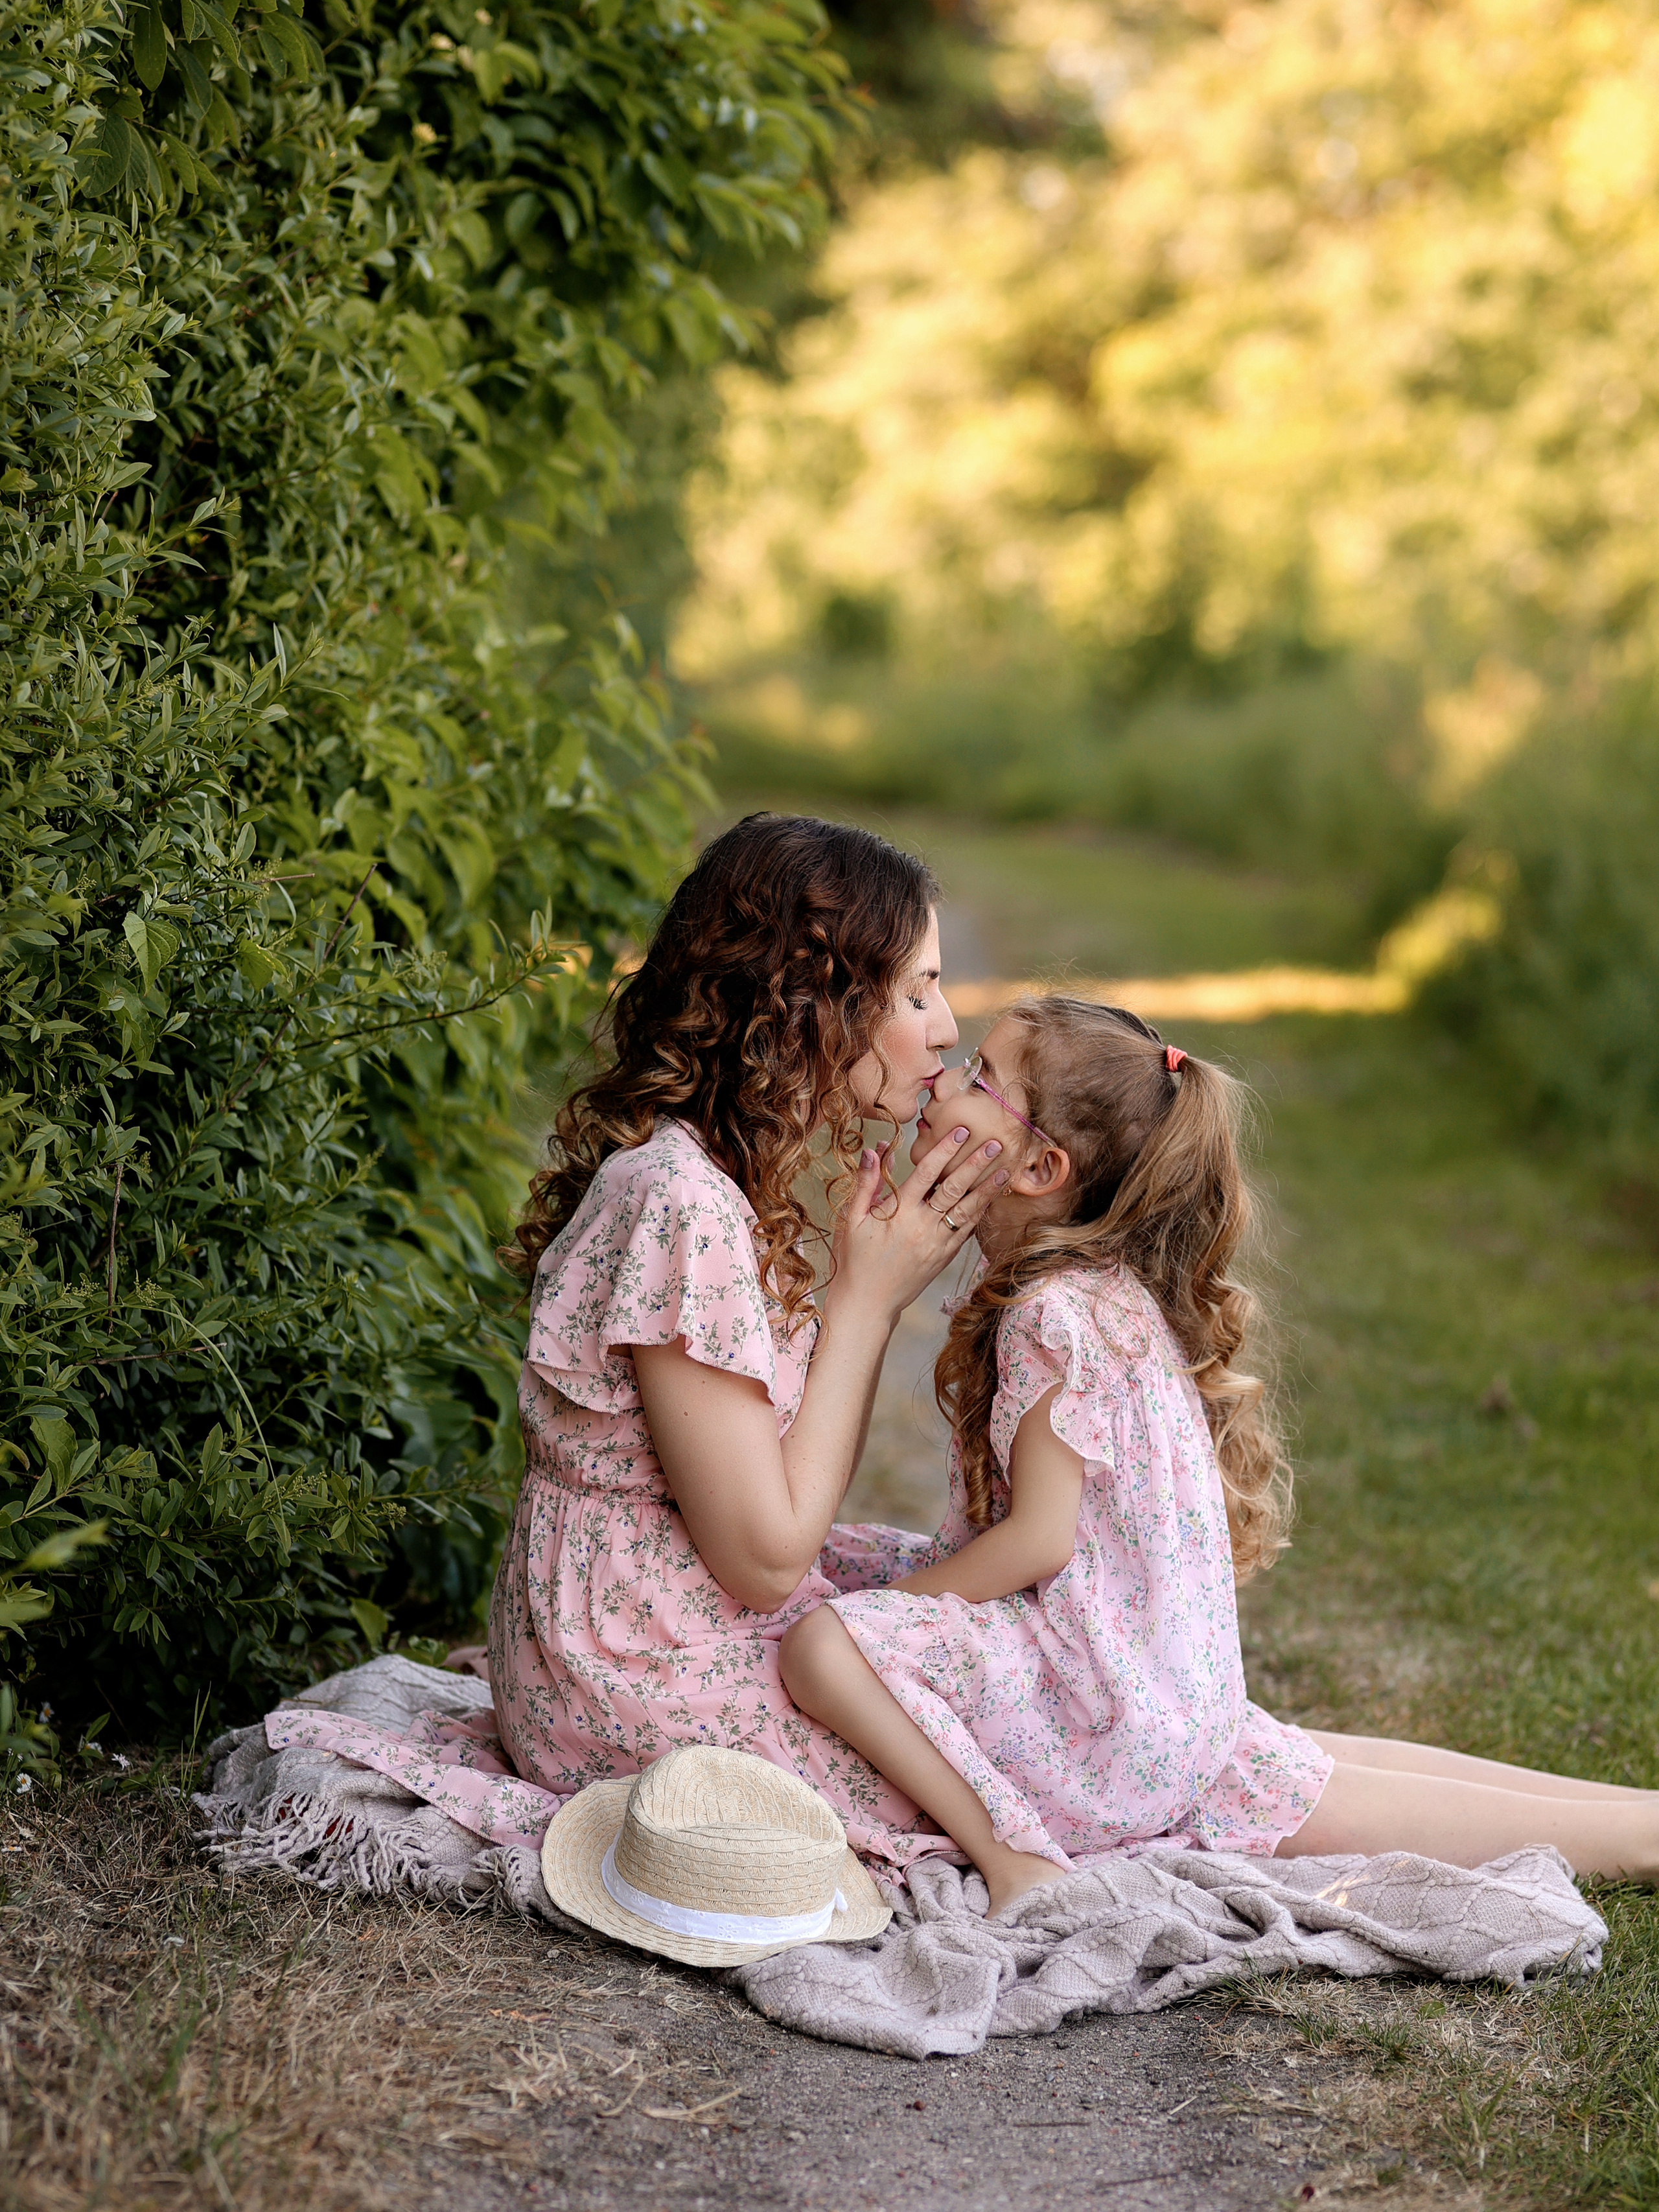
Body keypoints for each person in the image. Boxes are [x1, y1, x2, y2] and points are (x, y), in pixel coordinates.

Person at [780, 995, 1659, 1912]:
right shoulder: (1105, 1291)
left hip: (1108, 1718)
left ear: (1042, 1165)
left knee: (824, 1645)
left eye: (980, 1079)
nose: (949, 1079)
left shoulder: (1049, 1313)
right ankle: (1642, 1825)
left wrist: (891, 1609)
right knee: (1314, 1773)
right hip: (1171, 1701)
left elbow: (1039, 1540)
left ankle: (1015, 1859)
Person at [486, 813, 1009, 1865]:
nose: (947, 1027)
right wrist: (868, 1304)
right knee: (1002, 1737)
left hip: (642, 1625)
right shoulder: (680, 1203)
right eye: (916, 992)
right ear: (813, 1003)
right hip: (631, 1674)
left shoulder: (706, 1183)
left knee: (958, 1612)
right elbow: (769, 1558)